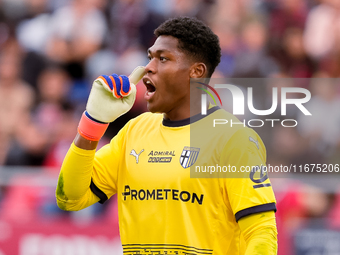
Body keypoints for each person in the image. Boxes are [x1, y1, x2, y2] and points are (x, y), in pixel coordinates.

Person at [56, 16, 278, 254]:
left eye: (163, 58)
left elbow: (262, 232)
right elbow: (69, 197)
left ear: (196, 72)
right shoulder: (134, 130)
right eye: (150, 57)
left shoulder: (234, 140)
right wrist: (93, 122)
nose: (148, 67)